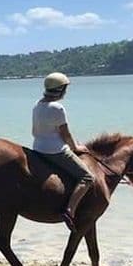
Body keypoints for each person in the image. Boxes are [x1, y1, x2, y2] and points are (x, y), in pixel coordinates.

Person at [31, 72, 94, 231]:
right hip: (55, 151)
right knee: (87, 177)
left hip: (38, 148)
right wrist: (76, 147)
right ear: (60, 89)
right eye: (65, 89)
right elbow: (65, 133)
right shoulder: (58, 108)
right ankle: (70, 210)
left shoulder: (37, 104)